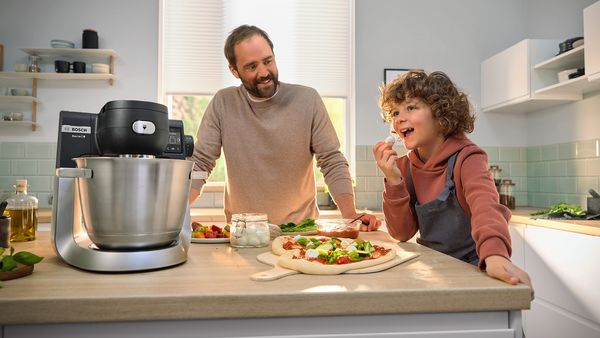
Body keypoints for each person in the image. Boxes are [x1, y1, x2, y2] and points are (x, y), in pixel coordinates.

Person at [189, 24, 378, 229]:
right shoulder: (223, 103)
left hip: (301, 231)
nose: (263, 72)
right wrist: (180, 211)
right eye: (252, 66)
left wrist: (349, 214)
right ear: (234, 70)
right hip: (244, 233)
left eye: (268, 61)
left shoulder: (307, 99)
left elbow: (331, 160)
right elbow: (200, 163)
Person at [372, 69, 532, 289]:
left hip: (472, 269)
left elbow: (486, 207)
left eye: (411, 107)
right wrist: (393, 182)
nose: (400, 119)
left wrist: (495, 255)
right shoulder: (405, 166)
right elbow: (401, 233)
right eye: (395, 113)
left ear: (441, 115)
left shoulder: (467, 158)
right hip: (430, 269)